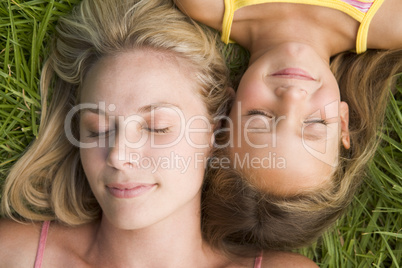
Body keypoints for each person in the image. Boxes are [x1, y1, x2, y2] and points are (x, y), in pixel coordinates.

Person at [0, 0, 319, 267]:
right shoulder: (13, 254)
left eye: (157, 127)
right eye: (97, 128)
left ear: (218, 126)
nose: (118, 155)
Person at [176, 0, 402, 255]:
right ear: (342, 121)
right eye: (315, 123)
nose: (293, 97)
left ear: (227, 110)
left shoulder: (205, 4)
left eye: (260, 117)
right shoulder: (392, 21)